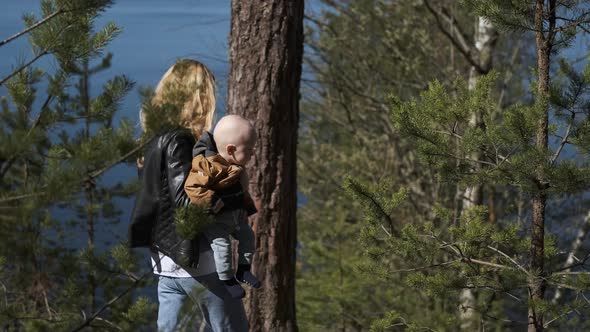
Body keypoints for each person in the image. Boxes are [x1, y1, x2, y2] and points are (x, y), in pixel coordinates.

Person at [129, 59, 249, 332]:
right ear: (200, 97)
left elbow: (161, 200)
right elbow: (188, 204)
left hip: (164, 260)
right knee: (233, 328)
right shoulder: (181, 141)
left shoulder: (153, 138)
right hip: (196, 262)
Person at [184, 115, 261, 299]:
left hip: (234, 217)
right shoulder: (207, 166)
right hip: (216, 221)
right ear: (231, 149)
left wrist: (246, 209)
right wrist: (214, 204)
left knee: (248, 237)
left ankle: (243, 270)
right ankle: (227, 279)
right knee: (222, 247)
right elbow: (192, 187)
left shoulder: (236, 168)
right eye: (249, 150)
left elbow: (241, 194)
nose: (252, 154)